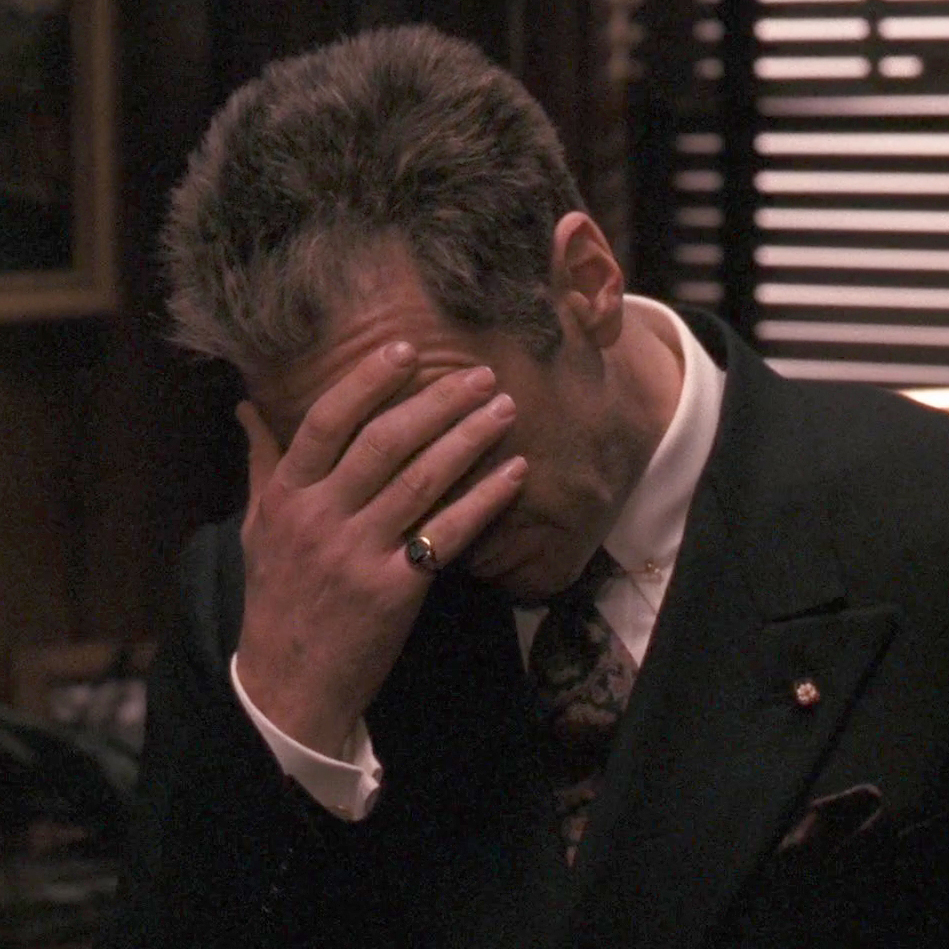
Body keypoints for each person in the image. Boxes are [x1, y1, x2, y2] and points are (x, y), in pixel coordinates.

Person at [104, 24, 949, 949]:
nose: (422, 511)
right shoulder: (246, 606)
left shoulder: (918, 515)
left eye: (435, 432)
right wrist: (286, 723)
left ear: (584, 283)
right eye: (345, 454)